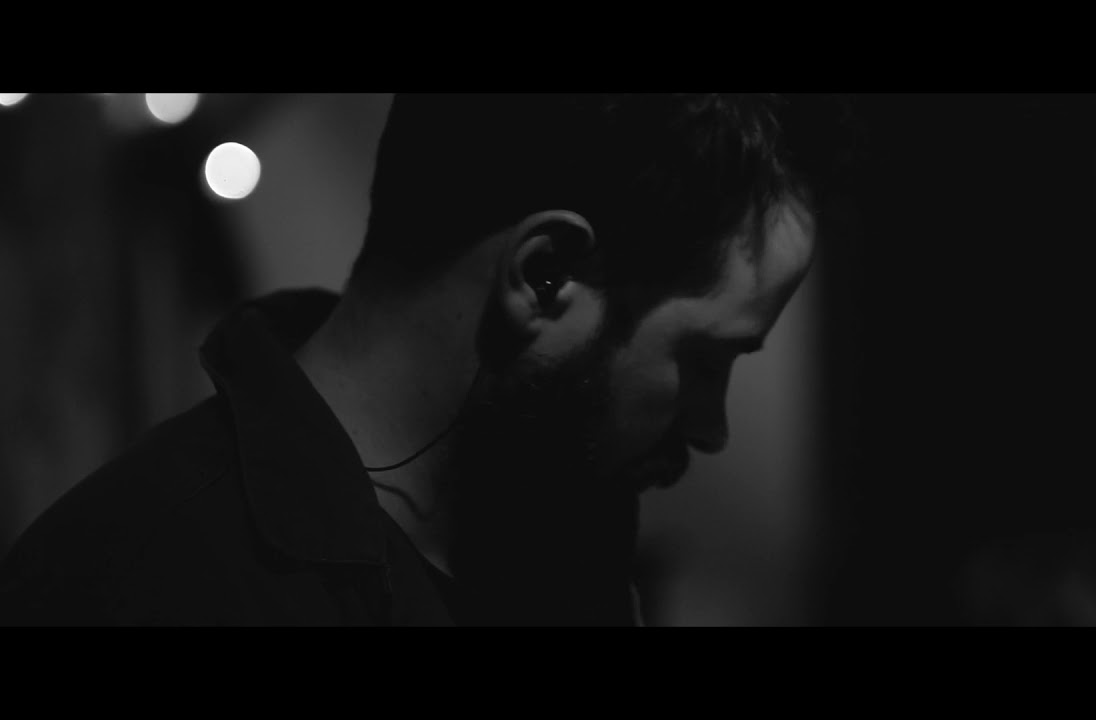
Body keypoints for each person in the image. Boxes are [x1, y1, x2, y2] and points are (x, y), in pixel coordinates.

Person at [0, 93, 854, 626]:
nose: (710, 428)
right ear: (544, 276)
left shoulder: (561, 531)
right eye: (706, 358)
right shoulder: (138, 582)